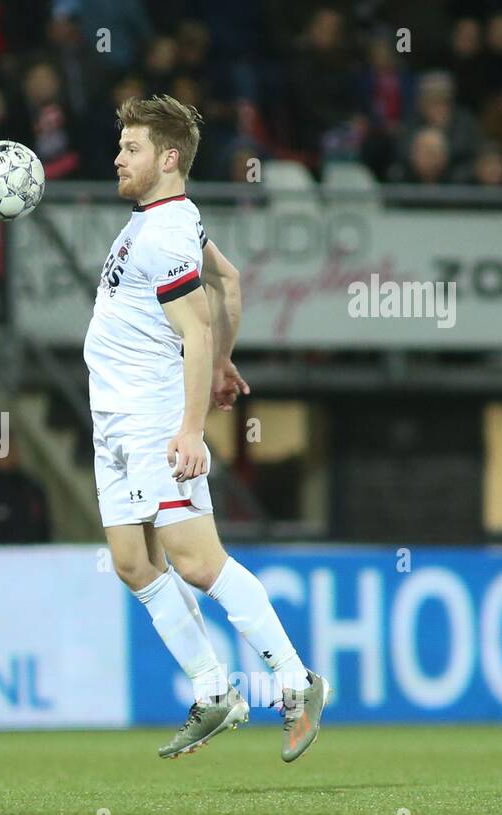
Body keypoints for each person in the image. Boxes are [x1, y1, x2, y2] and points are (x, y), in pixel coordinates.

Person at [85, 95, 330, 763]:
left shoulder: (162, 235)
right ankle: (215, 690)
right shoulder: (171, 220)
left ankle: (296, 680)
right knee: (134, 563)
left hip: (153, 417)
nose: (118, 157)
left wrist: (192, 428)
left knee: (196, 561)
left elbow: (192, 326)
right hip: (116, 421)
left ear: (168, 159)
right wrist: (224, 359)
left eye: (131, 148)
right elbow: (228, 279)